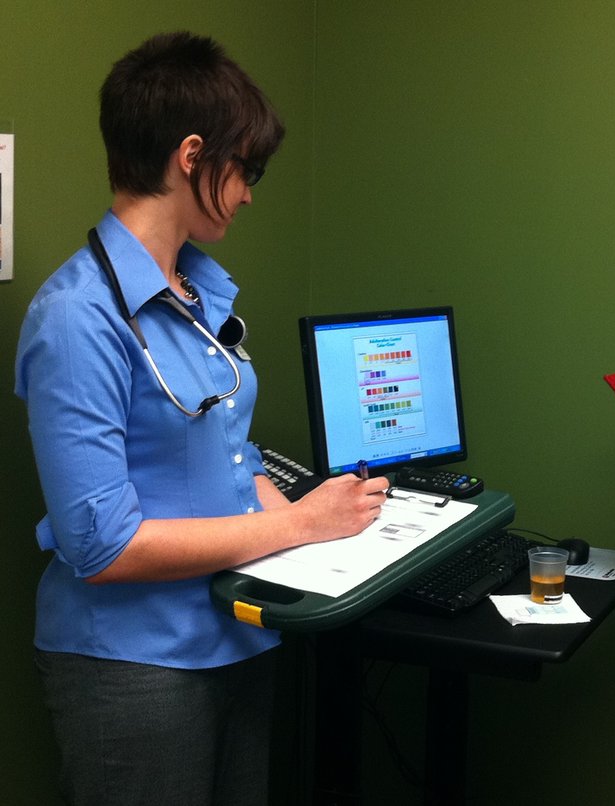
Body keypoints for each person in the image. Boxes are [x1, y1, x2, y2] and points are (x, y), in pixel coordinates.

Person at [15, 32, 388, 806]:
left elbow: (228, 447)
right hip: (135, 667)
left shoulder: (198, 292)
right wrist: (300, 525)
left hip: (238, 632)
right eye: (246, 168)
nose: (248, 193)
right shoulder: (77, 319)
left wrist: (315, 519)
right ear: (192, 156)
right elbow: (102, 545)